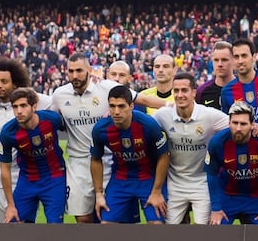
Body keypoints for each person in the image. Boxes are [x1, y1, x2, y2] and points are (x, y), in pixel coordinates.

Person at [51, 53, 165, 223]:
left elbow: (144, 100)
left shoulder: (107, 88)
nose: (75, 75)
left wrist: (177, 105)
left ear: (90, 70)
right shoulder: (59, 94)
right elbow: (53, 120)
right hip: (78, 162)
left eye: (79, 71)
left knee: (114, 218)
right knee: (83, 217)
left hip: (109, 161)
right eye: (71, 71)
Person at [0, 57, 54, 223]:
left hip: (26, 174)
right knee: (2, 222)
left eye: (4, 81)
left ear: (15, 84)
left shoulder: (37, 101)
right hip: (0, 173)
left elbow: (58, 103)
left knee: (24, 223)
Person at [153, 72, 229, 224]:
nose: (180, 95)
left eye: (184, 90)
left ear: (194, 92)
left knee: (203, 231)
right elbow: (143, 126)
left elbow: (236, 126)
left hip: (202, 182)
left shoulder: (209, 115)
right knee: (168, 229)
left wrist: (254, 126)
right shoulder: (163, 115)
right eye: (176, 91)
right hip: (175, 182)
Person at [91, 86, 170, 224]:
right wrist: (98, 194)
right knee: (106, 225)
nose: (116, 111)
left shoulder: (148, 124)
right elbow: (95, 159)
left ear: (131, 106)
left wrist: (157, 191)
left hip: (148, 179)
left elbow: (164, 156)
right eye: (112, 106)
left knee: (156, 225)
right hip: (120, 179)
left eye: (121, 106)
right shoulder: (100, 129)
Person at [0, 88, 68, 223]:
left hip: (54, 178)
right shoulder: (7, 133)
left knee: (55, 225)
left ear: (34, 106)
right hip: (27, 180)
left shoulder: (51, 119)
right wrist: (11, 206)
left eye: (23, 106)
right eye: (15, 107)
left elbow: (69, 129)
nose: (19, 111)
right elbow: (4, 169)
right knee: (15, 221)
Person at [205, 101, 258, 225]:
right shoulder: (217, 142)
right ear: (229, 123)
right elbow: (211, 174)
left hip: (256, 197)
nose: (238, 128)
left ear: (252, 125)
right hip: (227, 196)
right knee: (215, 236)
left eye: (243, 124)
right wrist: (216, 208)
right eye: (235, 123)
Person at [220, 39, 258, 125]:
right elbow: (228, 125)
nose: (240, 61)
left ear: (254, 57)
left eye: (244, 56)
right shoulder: (227, 91)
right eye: (236, 57)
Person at [196, 41, 236, 111]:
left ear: (233, 61)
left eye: (224, 60)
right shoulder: (202, 91)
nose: (219, 64)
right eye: (216, 60)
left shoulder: (243, 87)